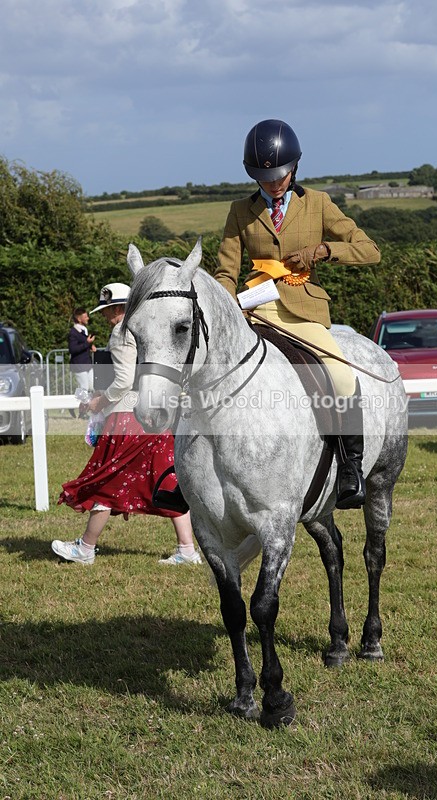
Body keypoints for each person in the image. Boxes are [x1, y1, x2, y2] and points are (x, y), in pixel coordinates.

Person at [213, 118, 381, 509]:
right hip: (255, 307)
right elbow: (225, 272)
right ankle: (187, 469)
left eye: (280, 174)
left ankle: (350, 468)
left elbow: (369, 249)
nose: (273, 183)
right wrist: (226, 310)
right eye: (265, 177)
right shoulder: (240, 211)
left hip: (302, 307)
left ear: (295, 167)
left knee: (340, 375)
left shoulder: (318, 203)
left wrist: (322, 251)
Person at [52, 282, 201, 566]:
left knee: (105, 480)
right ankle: (187, 549)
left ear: (120, 308)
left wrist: (99, 402)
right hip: (151, 416)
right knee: (165, 479)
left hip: (126, 417)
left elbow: (122, 381)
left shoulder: (121, 333)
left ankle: (85, 548)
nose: (106, 316)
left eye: (109, 309)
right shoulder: (147, 327)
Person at [68, 307, 96, 394]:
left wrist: (90, 347)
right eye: (85, 316)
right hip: (79, 365)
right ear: (79, 319)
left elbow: (83, 345)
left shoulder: (84, 330)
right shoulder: (73, 332)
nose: (88, 318)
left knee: (92, 386)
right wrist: (87, 343)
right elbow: (72, 349)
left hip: (87, 363)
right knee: (84, 387)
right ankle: (79, 405)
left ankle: (90, 406)